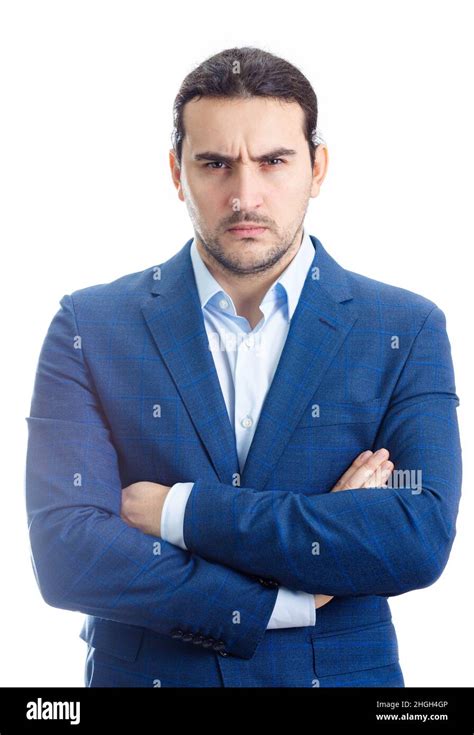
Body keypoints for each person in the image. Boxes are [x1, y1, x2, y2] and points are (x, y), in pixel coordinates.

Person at [25, 46, 462, 688]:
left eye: (273, 161)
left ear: (317, 168)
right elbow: (68, 554)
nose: (244, 195)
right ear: (177, 173)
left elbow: (414, 533)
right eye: (215, 164)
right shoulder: (89, 327)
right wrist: (288, 592)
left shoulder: (405, 329)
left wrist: (180, 512)